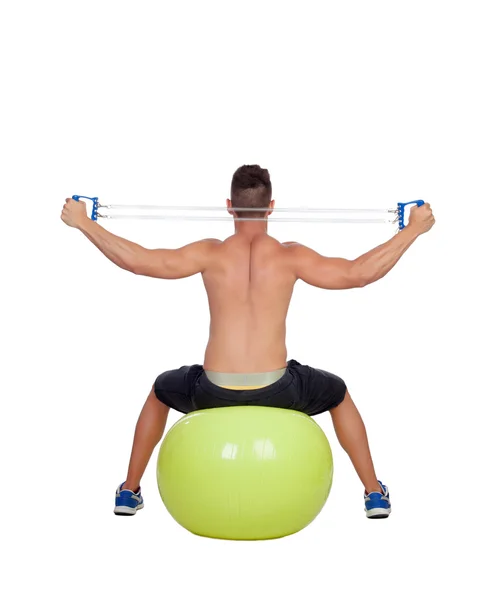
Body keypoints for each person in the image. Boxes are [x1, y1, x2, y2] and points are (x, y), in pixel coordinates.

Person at [61, 165, 435, 519]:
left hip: (213, 388)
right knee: (336, 392)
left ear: (229, 206)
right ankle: (373, 494)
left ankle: (129, 490)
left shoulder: (209, 252)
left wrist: (83, 223)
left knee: (161, 390)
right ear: (271, 207)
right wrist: (412, 231)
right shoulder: (291, 257)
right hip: (277, 388)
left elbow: (139, 261)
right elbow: (358, 274)